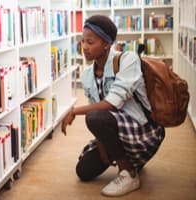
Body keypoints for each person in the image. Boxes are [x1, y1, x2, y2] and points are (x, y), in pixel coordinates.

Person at [61, 15, 165, 197]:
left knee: (94, 116)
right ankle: (131, 160)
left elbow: (111, 104)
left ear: (107, 44)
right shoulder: (87, 75)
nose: (84, 47)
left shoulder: (128, 59)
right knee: (83, 171)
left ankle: (129, 173)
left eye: (90, 42)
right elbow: (97, 110)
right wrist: (101, 147)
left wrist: (74, 111)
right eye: (82, 41)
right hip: (114, 130)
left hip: (142, 130)